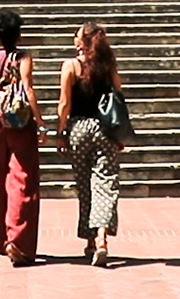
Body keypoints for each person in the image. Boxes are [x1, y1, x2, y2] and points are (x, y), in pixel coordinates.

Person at [0, 7, 43, 267]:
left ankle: (0, 239)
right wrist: (40, 122)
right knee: (23, 181)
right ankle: (17, 240)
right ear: (18, 34)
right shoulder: (23, 57)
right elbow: (28, 88)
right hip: (19, 123)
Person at [56, 21, 124, 267]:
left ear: (83, 41)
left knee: (85, 186)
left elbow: (64, 104)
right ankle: (101, 238)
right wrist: (120, 133)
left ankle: (89, 240)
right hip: (105, 130)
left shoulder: (71, 66)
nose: (74, 39)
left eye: (76, 36)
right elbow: (118, 97)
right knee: (106, 184)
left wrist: (61, 132)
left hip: (79, 129)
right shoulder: (108, 66)